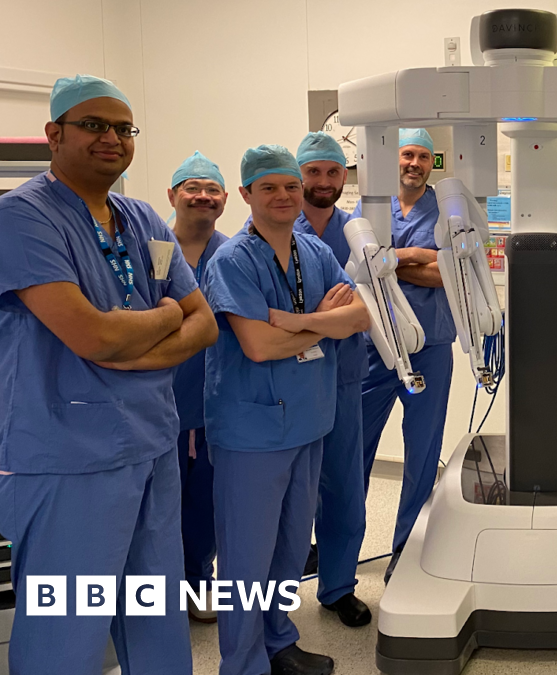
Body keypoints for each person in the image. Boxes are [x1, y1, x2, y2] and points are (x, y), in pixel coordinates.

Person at [0, 74, 217, 674]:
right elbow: (92, 335)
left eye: (123, 128)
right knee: (66, 627)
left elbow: (204, 324)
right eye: (93, 125)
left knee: (155, 613)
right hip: (68, 452)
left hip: (151, 443)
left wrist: (138, 335)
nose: (112, 139)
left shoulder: (142, 217)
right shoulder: (21, 218)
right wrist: (165, 315)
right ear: (54, 134)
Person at [203, 144, 370, 675]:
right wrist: (321, 323)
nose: (283, 196)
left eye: (290, 187)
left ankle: (279, 640)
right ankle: (243, 662)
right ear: (246, 194)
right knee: (246, 559)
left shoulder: (313, 251)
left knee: (291, 546)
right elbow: (255, 345)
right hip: (251, 429)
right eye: (269, 187)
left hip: (308, 420)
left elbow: (361, 316)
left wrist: (294, 324)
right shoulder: (231, 261)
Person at [351, 128, 457, 578]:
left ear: (433, 163)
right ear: (394, 159)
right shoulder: (371, 204)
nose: (414, 163)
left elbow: (449, 274)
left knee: (422, 452)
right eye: (408, 154)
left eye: (423, 157)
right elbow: (362, 268)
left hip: (430, 346)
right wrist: (421, 258)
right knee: (353, 448)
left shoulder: (448, 210)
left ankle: (405, 551)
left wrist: (398, 259)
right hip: (374, 346)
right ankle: (341, 548)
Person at [293, 131, 372, 627]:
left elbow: (365, 309)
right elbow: (267, 311)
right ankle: (277, 595)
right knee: (288, 494)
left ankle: (339, 585)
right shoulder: (274, 225)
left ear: (345, 176)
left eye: (333, 172)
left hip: (343, 376)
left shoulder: (358, 231)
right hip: (288, 380)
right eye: (313, 171)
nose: (324, 181)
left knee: (345, 487)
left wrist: (310, 317)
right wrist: (324, 316)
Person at [167, 150, 230, 624]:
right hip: (157, 399)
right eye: (192, 187)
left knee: (206, 502)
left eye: (211, 189)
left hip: (215, 403)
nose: (202, 196)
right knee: (158, 504)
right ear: (172, 195)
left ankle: (197, 579)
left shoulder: (231, 254)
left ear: (225, 200)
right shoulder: (147, 251)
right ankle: (161, 585)